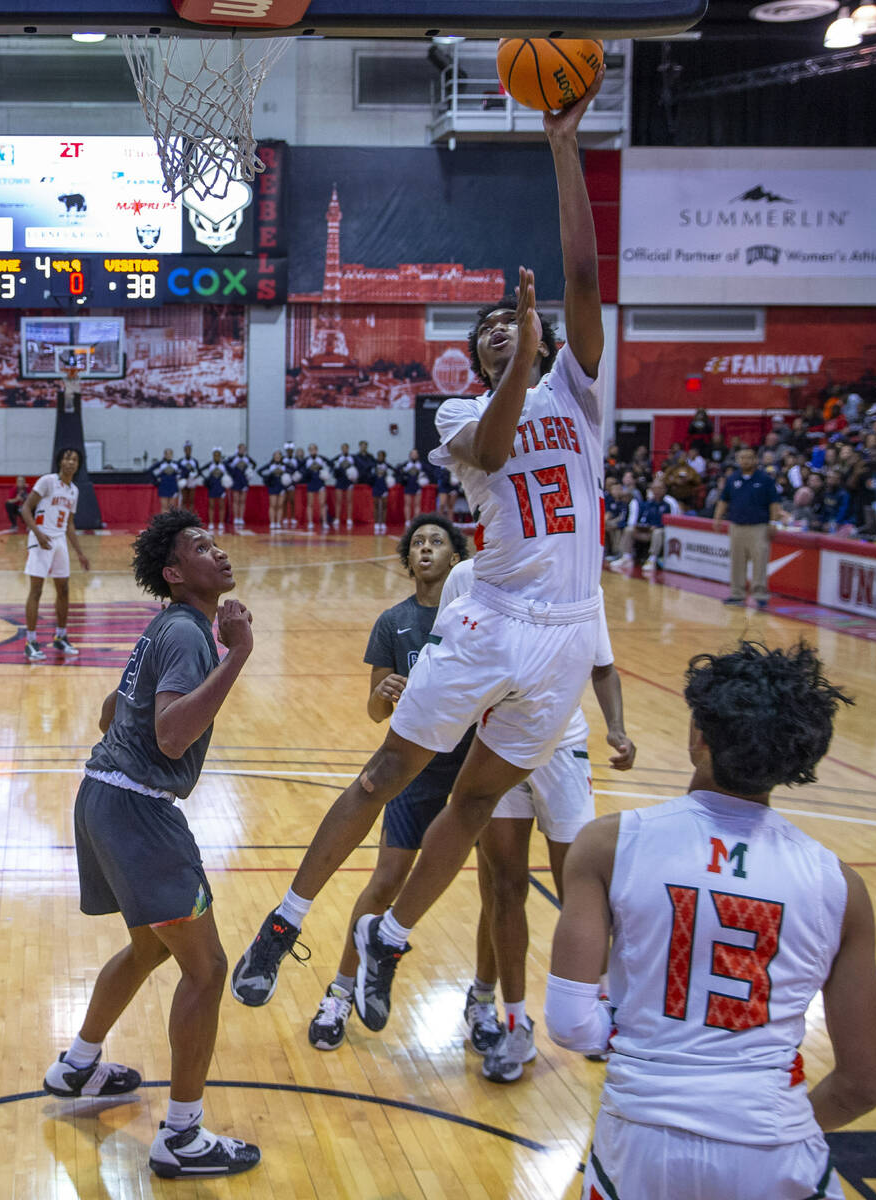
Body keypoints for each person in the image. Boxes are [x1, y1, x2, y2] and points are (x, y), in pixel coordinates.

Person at [230, 72, 608, 1033]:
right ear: (480, 357)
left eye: (509, 325)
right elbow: (491, 451)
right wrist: (520, 355)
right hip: (493, 619)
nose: (497, 332)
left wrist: (564, 147)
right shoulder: (461, 413)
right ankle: (285, 920)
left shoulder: (582, 392)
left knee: (479, 803)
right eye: (486, 332)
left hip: (564, 634)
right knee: (387, 773)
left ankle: (389, 941)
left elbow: (585, 282)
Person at [545, 641, 876, 1200]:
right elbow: (860, 1087)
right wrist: (762, 1128)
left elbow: (569, 1023)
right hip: (775, 1152)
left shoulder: (609, 843)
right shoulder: (841, 886)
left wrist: (654, 1054)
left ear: (697, 736)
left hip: (641, 1145)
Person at [42, 510, 260, 1180]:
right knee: (207, 968)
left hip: (102, 798)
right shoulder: (189, 631)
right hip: (138, 812)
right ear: (173, 574)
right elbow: (169, 737)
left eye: (215, 542)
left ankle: (78, 1065)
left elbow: (114, 710)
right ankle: (182, 1137)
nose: (217, 552)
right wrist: (240, 655)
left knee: (146, 947)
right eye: (200, 547)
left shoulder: (166, 629)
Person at [279, 517, 487, 1049]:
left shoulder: (481, 617)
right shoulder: (394, 622)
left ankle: (487, 1004)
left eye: (436, 541)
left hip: (474, 771)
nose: (425, 549)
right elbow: (375, 712)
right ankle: (340, 991)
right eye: (418, 542)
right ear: (407, 557)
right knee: (385, 884)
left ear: (456, 557)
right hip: (414, 774)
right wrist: (385, 692)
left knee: (498, 886)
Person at [437, 557, 636, 1083]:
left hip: (563, 749)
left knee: (584, 891)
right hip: (495, 746)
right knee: (505, 888)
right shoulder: (466, 575)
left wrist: (616, 727)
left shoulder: (577, 575)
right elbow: (449, 660)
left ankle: (602, 1006)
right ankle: (515, 1022)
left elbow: (602, 665)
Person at [19, 447, 90, 661]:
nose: (70, 462)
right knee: (37, 590)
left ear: (78, 465)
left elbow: (69, 523)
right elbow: (25, 509)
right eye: (67, 458)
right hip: (41, 537)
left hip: (59, 540)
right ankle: (31, 641)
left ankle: (60, 636)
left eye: (75, 459)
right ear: (60, 461)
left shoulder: (73, 491)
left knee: (64, 589)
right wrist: (38, 533)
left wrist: (79, 552)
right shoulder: (47, 481)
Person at [713, 446, 782, 609]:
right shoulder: (732, 479)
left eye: (749, 457)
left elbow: (774, 503)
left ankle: (760, 594)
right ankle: (737, 594)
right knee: (737, 561)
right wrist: (717, 518)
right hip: (736, 526)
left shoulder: (765, 479)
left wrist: (773, 522)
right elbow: (724, 500)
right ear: (738, 460)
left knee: (760, 562)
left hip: (758, 527)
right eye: (742, 458)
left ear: (755, 460)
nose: (745, 461)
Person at [225, 442, 256, 529]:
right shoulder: (234, 458)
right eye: (241, 449)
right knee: (236, 500)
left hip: (244, 481)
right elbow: (225, 464)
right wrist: (232, 472)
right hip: (236, 481)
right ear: (238, 449)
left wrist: (250, 471)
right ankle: (236, 518)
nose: (242, 450)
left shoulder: (247, 458)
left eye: (244, 449)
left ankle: (241, 518)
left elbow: (254, 464)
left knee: (242, 500)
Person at [259, 448, 289, 531]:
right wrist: (266, 478)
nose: (277, 457)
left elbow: (293, 470)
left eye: (279, 455)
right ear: (273, 457)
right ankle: (272, 522)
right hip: (273, 486)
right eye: (275, 455)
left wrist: (288, 479)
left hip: (282, 487)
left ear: (281, 457)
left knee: (280, 505)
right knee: (273, 505)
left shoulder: (284, 466)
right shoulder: (270, 465)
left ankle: (278, 522)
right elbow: (259, 471)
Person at [303, 443, 330, 532]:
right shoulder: (306, 460)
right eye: (310, 449)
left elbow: (330, 465)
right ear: (309, 451)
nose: (312, 451)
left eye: (314, 449)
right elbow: (302, 472)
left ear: (317, 450)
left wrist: (323, 471)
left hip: (320, 483)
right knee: (310, 503)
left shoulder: (321, 459)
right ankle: (310, 522)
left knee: (322, 503)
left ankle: (324, 522)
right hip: (311, 483)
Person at [203, 448, 230, 533]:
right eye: (215, 455)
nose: (217, 457)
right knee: (211, 505)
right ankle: (211, 523)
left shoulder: (224, 465)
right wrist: (206, 480)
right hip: (212, 487)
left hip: (221, 487)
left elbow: (231, 472)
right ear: (213, 456)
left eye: (218, 455)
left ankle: (221, 523)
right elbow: (200, 470)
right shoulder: (210, 464)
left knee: (221, 505)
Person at [332, 442, 357, 530]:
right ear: (341, 449)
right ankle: (337, 518)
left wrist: (354, 476)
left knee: (349, 501)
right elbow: (332, 466)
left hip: (349, 482)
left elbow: (358, 468)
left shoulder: (353, 458)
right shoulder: (338, 458)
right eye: (343, 448)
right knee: (338, 500)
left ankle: (349, 519)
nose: (344, 450)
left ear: (348, 449)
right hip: (340, 481)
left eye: (346, 448)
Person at [398, 448, 425, 525]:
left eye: (416, 454)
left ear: (418, 455)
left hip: (417, 486)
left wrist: (423, 478)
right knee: (408, 504)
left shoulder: (421, 465)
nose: (414, 455)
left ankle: (416, 521)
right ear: (410, 455)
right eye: (413, 454)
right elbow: (399, 471)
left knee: (417, 504)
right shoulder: (406, 464)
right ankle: (407, 521)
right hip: (408, 486)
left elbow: (428, 472)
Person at [371, 450, 394, 535]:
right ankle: (376, 523)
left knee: (384, 506)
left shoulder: (387, 466)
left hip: (384, 488)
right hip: (376, 487)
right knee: (376, 505)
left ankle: (383, 523)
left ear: (384, 457)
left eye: (381, 456)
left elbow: (395, 471)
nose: (380, 457)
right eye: (378, 456)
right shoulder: (374, 465)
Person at [152, 448, 180, 513]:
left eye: (170, 454)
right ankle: (164, 522)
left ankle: (171, 522)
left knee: (172, 507)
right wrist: (155, 480)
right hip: (163, 486)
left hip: (173, 486)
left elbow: (185, 470)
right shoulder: (161, 464)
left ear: (172, 455)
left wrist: (180, 477)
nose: (168, 455)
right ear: (164, 455)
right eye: (167, 454)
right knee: (164, 507)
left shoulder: (176, 464)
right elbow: (150, 470)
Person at [177, 442, 200, 512]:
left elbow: (198, 472)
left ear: (191, 450)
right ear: (184, 451)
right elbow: (178, 471)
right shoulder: (181, 461)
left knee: (191, 500)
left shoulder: (194, 461)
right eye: (186, 450)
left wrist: (195, 475)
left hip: (192, 481)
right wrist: (181, 478)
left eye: (189, 449)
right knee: (184, 500)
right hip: (184, 481)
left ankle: (190, 518)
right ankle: (183, 517)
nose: (188, 451)